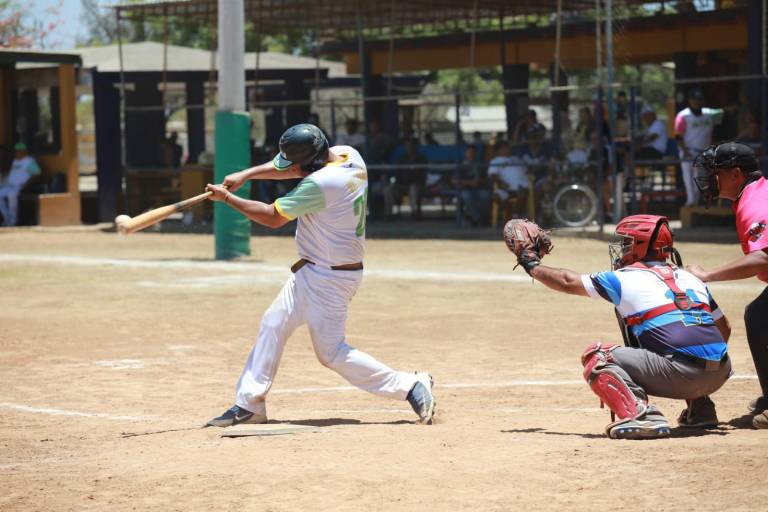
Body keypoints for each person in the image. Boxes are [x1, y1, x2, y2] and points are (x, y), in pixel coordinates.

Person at [203, 123, 436, 427]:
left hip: (331, 280)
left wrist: (228, 200)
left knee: (331, 353)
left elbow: (272, 217)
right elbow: (289, 168)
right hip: (311, 271)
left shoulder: (321, 184)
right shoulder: (347, 155)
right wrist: (246, 175)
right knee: (273, 323)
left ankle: (410, 385)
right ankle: (249, 405)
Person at [508, 215, 732, 439]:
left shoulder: (625, 277)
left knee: (598, 357)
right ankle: (701, 409)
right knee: (676, 337)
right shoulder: (690, 278)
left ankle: (640, 415)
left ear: (641, 246)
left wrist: (531, 264)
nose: (622, 249)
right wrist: (705, 364)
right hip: (720, 373)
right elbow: (725, 329)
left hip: (681, 376)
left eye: (626, 243)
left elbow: (568, 281)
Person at [686, 141, 768, 429]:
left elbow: (763, 258)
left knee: (760, 317)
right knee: (760, 315)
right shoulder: (753, 194)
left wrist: (708, 275)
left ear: (736, 174)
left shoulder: (754, 202)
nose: (711, 179)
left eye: (716, 172)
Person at [675, 89, 721, 206]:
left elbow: (723, 113)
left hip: (703, 152)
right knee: (688, 178)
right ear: (689, 101)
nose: (697, 102)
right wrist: (685, 151)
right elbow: (678, 136)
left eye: (699, 99)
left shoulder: (709, 113)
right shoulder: (683, 115)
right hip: (688, 151)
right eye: (694, 99)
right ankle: (690, 200)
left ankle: (695, 200)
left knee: (700, 178)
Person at [0, 142, 41, 227]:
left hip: (19, 187)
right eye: (16, 151)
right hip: (9, 185)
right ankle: (7, 219)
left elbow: (37, 174)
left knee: (11, 195)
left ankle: (13, 221)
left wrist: (26, 184)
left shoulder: (29, 161)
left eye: (18, 151)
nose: (16, 153)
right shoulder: (15, 161)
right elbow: (14, 173)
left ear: (24, 151)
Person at [488, 141, 528, 220]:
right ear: (498, 150)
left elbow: (527, 170)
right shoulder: (495, 161)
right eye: (504, 148)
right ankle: (510, 214)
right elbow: (492, 175)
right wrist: (501, 183)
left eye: (507, 147)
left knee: (522, 193)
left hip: (521, 187)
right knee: (496, 197)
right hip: (505, 187)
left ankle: (514, 215)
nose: (507, 149)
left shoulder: (516, 159)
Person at [394, 137, 428, 220]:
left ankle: (414, 213)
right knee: (388, 189)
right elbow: (398, 173)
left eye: (412, 145)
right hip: (402, 185)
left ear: (416, 146)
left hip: (417, 185)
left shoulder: (421, 159)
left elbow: (422, 175)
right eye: (408, 146)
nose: (410, 147)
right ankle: (388, 214)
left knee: (413, 188)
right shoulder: (402, 159)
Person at [458, 145, 490, 226]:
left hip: (480, 188)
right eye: (469, 152)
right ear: (465, 153)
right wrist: (469, 182)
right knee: (466, 196)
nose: (471, 154)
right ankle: (477, 218)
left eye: (473, 152)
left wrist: (479, 181)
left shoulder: (481, 164)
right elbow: (455, 180)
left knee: (485, 196)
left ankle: (482, 218)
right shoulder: (461, 165)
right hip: (466, 189)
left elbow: (486, 178)